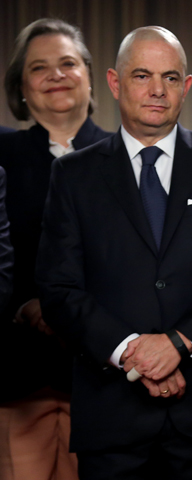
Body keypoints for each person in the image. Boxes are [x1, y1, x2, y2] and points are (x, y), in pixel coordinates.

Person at [36, 26, 192, 479]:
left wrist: (178, 344)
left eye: (171, 78)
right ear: (116, 83)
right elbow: (58, 288)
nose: (157, 90)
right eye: (142, 76)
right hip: (111, 417)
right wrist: (134, 352)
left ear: (187, 86)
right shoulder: (72, 174)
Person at [0, 18, 111, 480]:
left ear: (88, 75)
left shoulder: (127, 154)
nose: (57, 75)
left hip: (105, 374)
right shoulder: (1, 156)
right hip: (18, 373)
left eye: (67, 63)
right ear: (21, 88)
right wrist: (27, 304)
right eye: (40, 68)